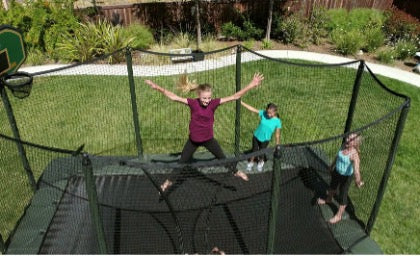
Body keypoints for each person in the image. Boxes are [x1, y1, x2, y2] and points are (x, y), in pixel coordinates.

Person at [145, 72, 264, 193]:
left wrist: (251, 85)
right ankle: (166, 184)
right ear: (198, 95)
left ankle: (235, 172)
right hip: (193, 141)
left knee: (222, 158)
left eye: (209, 98)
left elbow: (234, 97)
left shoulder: (213, 104)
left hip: (208, 140)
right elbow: (173, 97)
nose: (207, 101)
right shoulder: (193, 103)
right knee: (181, 163)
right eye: (204, 98)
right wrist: (157, 87)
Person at [318, 133, 364, 224]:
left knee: (343, 194)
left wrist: (358, 180)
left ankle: (339, 216)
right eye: (347, 138)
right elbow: (337, 157)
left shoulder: (354, 155)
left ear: (355, 143)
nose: (347, 140)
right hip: (337, 171)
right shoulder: (343, 146)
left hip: (346, 177)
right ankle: (329, 199)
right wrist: (331, 166)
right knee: (332, 186)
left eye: (351, 140)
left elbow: (356, 170)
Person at [241, 101, 281, 172]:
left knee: (261, 152)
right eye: (268, 112)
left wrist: (277, 144)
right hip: (256, 136)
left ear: (275, 112)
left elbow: (277, 134)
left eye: (271, 113)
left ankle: (260, 162)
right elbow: (253, 109)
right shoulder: (263, 113)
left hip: (265, 139)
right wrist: (241, 102)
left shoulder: (277, 121)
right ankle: (251, 162)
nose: (268, 114)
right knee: (254, 150)